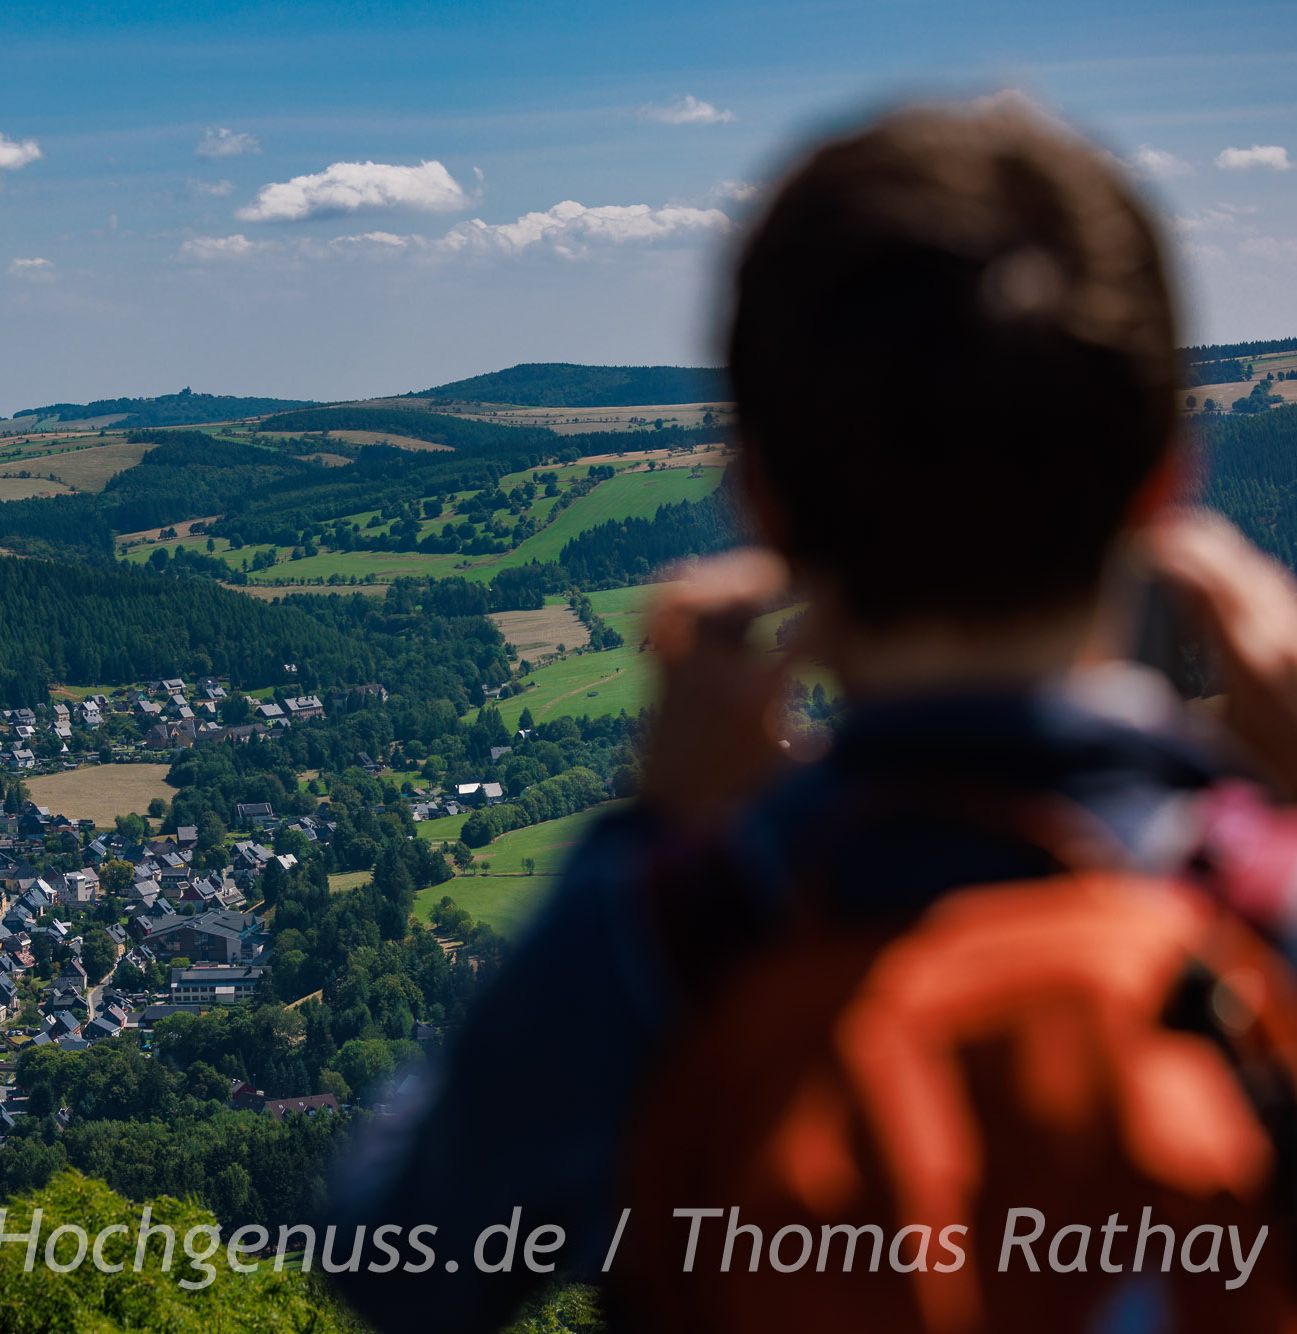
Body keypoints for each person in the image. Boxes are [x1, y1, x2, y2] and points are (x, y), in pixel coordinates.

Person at [325, 98, 1297, 1332]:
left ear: (761, 498)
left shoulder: (686, 929)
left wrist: (643, 834)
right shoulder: (1252, 908)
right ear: (1165, 478)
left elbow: (394, 1258)